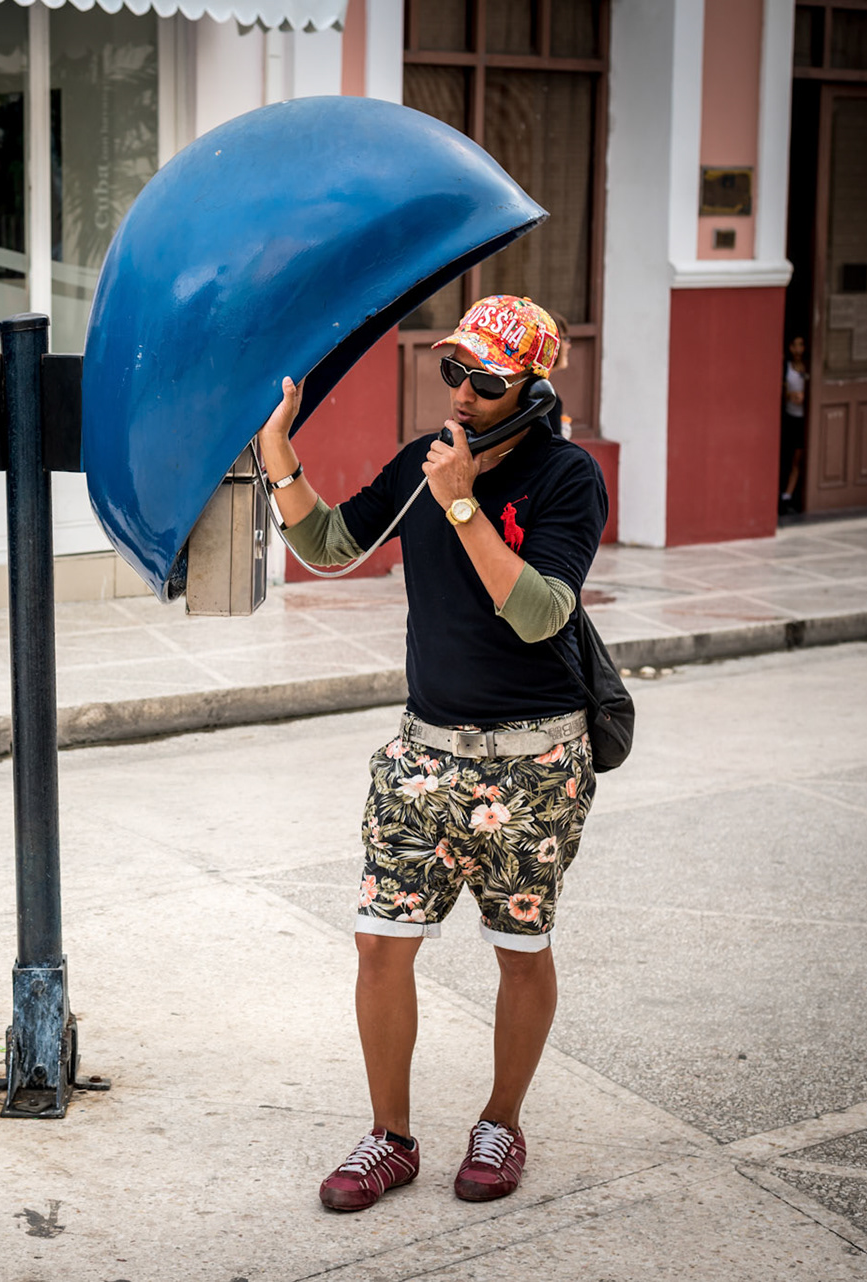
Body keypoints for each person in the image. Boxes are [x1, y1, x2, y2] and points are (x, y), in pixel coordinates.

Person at [255, 295, 606, 1211]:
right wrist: (277, 452)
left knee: (519, 950)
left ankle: (501, 1120)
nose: (461, 395)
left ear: (530, 391)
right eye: (454, 372)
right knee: (380, 947)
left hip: (534, 764)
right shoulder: (427, 463)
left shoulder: (569, 478)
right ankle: (390, 1138)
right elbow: (331, 544)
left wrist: (462, 506)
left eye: (485, 382)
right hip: (424, 755)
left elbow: (538, 613)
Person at [779, 335, 808, 514]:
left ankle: (790, 495)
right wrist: (792, 396)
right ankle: (783, 497)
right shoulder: (786, 367)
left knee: (798, 458)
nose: (798, 349)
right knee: (787, 457)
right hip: (789, 416)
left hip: (802, 418)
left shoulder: (808, 366)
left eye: (801, 345)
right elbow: (780, 390)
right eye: (795, 345)